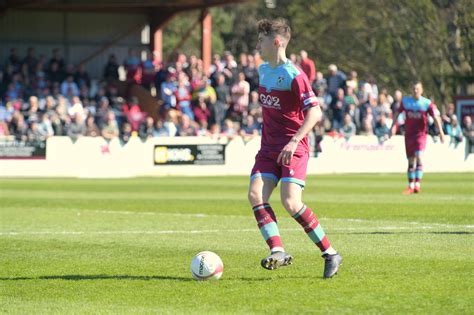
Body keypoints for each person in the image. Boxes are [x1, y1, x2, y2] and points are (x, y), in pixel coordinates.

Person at [249, 18, 342, 278]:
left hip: (293, 147)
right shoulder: (263, 70)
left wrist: (293, 140)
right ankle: (277, 250)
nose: (258, 43)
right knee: (256, 195)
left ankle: (330, 253)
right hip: (268, 148)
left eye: (262, 39)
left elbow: (315, 112)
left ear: (276, 42)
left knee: (291, 202)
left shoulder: (294, 75)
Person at [390, 82, 445, 194]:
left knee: (419, 156)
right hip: (409, 135)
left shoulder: (426, 103)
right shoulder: (405, 101)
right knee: (410, 160)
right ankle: (410, 186)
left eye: (417, 89)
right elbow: (397, 113)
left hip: (421, 134)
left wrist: (441, 132)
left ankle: (417, 185)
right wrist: (392, 127)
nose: (415, 90)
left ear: (422, 90)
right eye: (414, 88)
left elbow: (435, 117)